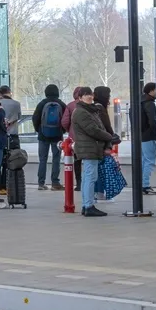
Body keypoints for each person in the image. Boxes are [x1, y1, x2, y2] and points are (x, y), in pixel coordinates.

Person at [73, 87, 119, 217]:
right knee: (90, 176)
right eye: (85, 95)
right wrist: (110, 137)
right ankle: (88, 206)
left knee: (89, 176)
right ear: (80, 97)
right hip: (89, 148)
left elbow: (99, 128)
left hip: (92, 148)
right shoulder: (81, 112)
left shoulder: (91, 111)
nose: (89, 97)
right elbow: (93, 130)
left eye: (90, 94)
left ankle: (86, 205)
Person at [32, 84, 66, 191]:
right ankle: (55, 183)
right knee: (56, 159)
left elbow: (35, 118)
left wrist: (39, 130)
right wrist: (62, 131)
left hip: (43, 135)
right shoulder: (61, 104)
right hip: (57, 136)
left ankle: (41, 183)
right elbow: (65, 120)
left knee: (43, 159)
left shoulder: (42, 104)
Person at [61, 87, 91, 190]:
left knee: (77, 161)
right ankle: (88, 183)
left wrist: (69, 130)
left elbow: (64, 121)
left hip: (74, 138)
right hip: (88, 137)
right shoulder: (90, 105)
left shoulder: (70, 105)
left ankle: (79, 183)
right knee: (88, 161)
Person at [140, 82, 156, 195]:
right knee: (149, 161)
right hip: (150, 136)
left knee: (144, 161)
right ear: (151, 90)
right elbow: (153, 121)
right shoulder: (150, 104)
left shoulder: (140, 102)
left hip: (141, 137)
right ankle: (145, 185)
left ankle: (142, 184)